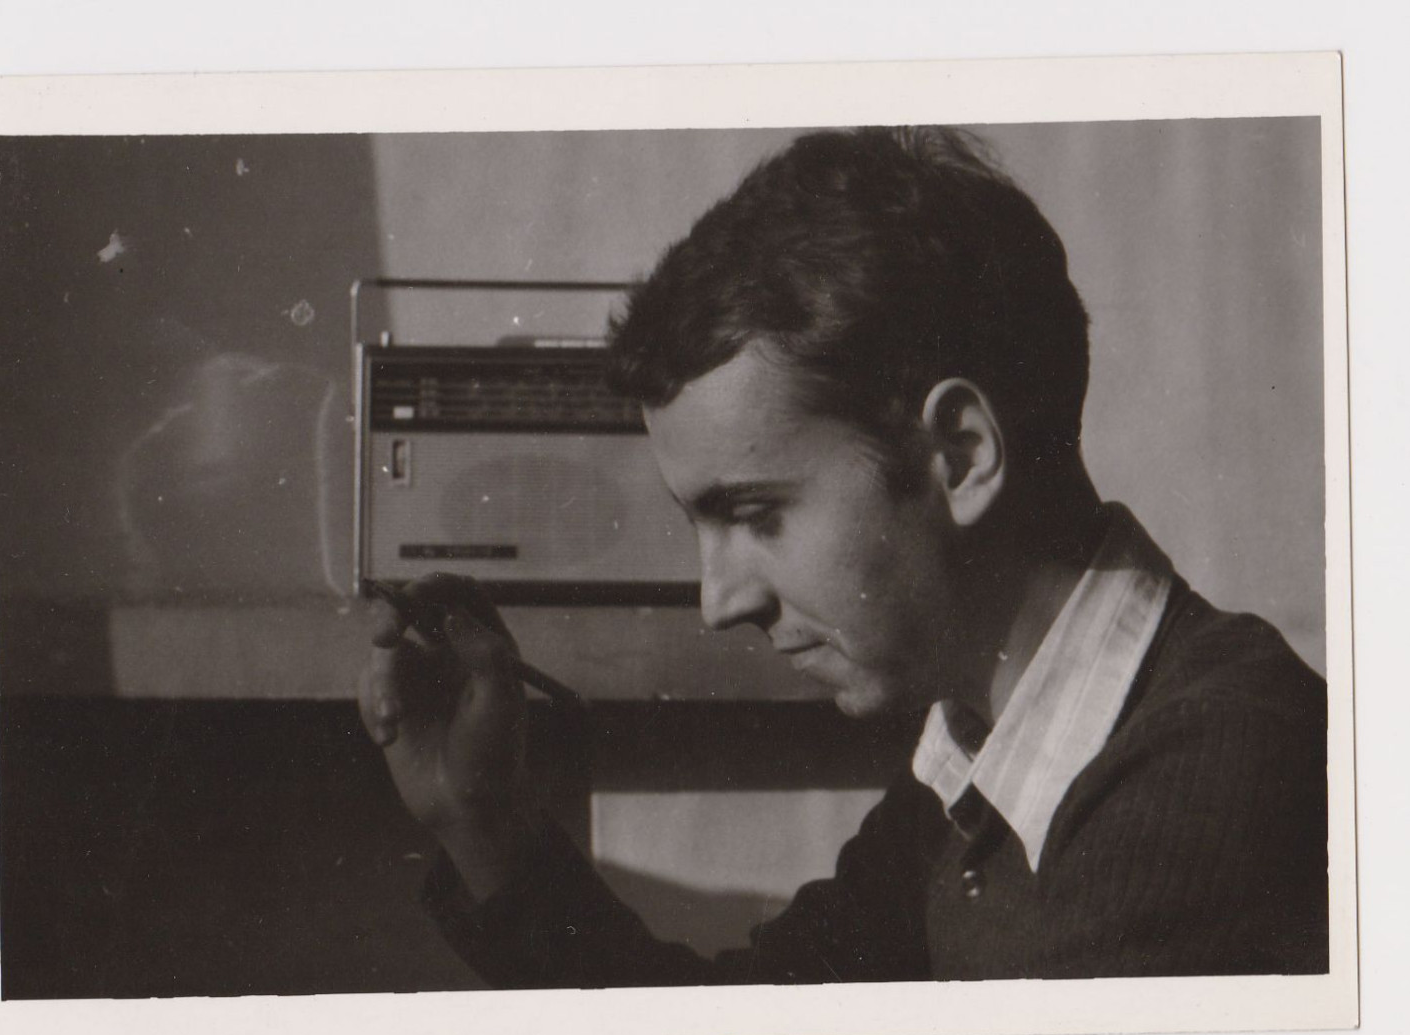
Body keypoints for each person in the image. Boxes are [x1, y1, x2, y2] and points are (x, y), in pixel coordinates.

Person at [357, 126, 1328, 987]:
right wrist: (482, 822)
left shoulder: (1211, 787)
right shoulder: (985, 758)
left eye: (754, 513)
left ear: (960, 455)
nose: (719, 603)